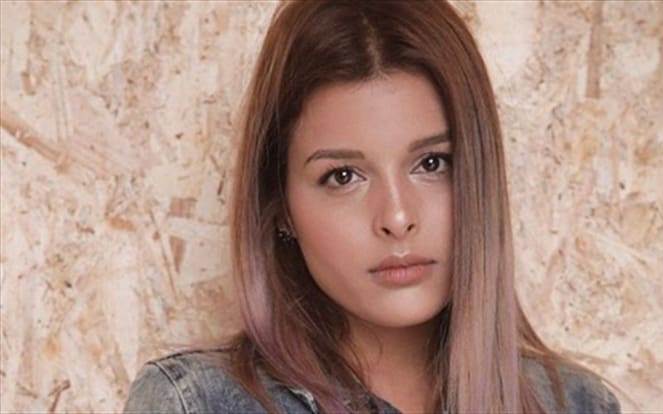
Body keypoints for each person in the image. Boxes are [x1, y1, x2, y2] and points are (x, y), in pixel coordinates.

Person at [124, 1, 622, 413]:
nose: (397, 217)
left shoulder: (579, 404)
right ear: (281, 207)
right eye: (343, 176)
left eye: (432, 163)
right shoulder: (195, 403)